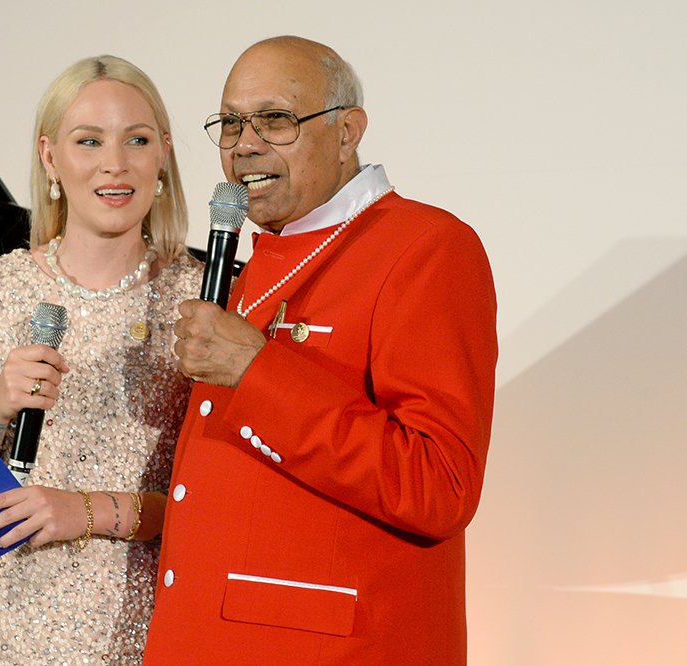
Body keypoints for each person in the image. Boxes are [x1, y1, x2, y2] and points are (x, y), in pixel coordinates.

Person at [143, 36, 497, 666]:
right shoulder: (251, 266)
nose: (245, 144)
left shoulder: (426, 246)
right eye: (230, 123)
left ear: (347, 131)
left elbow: (439, 486)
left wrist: (256, 372)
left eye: (275, 120)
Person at [0, 55, 202, 665]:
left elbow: (215, 505)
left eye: (137, 139)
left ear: (163, 154)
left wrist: (84, 511)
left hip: (145, 623)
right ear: (50, 157)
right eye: (89, 141)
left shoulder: (203, 301)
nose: (115, 163)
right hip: (0, 628)